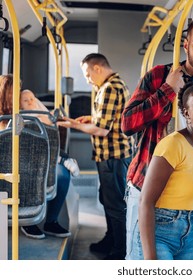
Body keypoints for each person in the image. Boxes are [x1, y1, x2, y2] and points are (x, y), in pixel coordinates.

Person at [121, 17, 193, 260]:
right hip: (147, 189)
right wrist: (167, 91)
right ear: (186, 45)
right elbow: (128, 124)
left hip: (187, 202)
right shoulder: (160, 76)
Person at [132, 83, 193, 260]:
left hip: (188, 234)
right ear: (186, 112)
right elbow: (145, 202)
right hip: (159, 233)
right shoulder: (173, 144)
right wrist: (150, 259)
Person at [58, 53, 132, 260]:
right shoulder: (111, 85)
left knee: (116, 205)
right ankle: (111, 240)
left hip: (113, 156)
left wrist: (74, 124)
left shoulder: (109, 88)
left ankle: (120, 251)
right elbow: (110, 118)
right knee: (107, 200)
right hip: (109, 155)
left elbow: (102, 130)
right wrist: (90, 118)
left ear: (98, 68)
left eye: (88, 74)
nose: (88, 79)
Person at [0, 76, 72, 239]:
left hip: (33, 160)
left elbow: (48, 132)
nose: (18, 95)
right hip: (9, 164)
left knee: (62, 175)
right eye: (14, 91)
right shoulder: (6, 118)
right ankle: (27, 221)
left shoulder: (26, 110)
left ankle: (51, 221)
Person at [20, 89, 80, 177]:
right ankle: (63, 160)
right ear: (20, 104)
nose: (29, 102)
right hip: (31, 145)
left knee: (53, 149)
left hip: (45, 143)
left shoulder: (40, 113)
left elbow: (49, 121)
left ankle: (66, 160)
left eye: (32, 99)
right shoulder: (20, 116)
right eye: (25, 100)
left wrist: (49, 118)